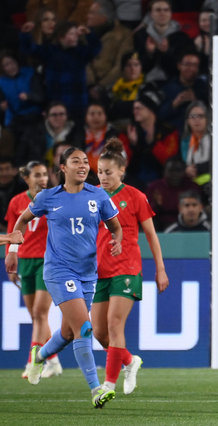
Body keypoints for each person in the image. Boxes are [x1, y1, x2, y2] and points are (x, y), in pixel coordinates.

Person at [9, 147, 122, 408]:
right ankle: (96, 389)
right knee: (84, 328)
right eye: (76, 161)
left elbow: (115, 226)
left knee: (69, 332)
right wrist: (13, 250)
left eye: (85, 161)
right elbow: (22, 220)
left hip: (87, 273)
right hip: (59, 270)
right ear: (63, 168)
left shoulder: (98, 195)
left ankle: (40, 356)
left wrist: (116, 241)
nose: (83, 165)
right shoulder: (48, 197)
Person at [92, 138, 169, 395]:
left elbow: (151, 235)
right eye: (100, 172)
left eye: (108, 172)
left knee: (115, 325)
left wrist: (160, 269)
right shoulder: (92, 197)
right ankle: (129, 360)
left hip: (127, 267)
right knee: (100, 333)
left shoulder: (135, 197)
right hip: (101, 270)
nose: (103, 177)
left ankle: (108, 385)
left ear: (121, 171)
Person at [4, 161, 63, 379]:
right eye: (37, 175)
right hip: (26, 261)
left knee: (40, 312)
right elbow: (12, 232)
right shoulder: (16, 202)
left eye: (45, 175)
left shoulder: (54, 199)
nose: (42, 179)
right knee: (35, 315)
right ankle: (54, 360)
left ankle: (33, 362)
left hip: (47, 261)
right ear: (26, 178)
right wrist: (13, 257)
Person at [180, 101, 211, 184]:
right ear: (187, 120)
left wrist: (196, 169)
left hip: (210, 183)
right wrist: (186, 170)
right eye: (193, 116)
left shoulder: (214, 139)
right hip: (189, 184)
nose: (197, 120)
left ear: (207, 119)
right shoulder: (184, 140)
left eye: (201, 116)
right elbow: (179, 162)